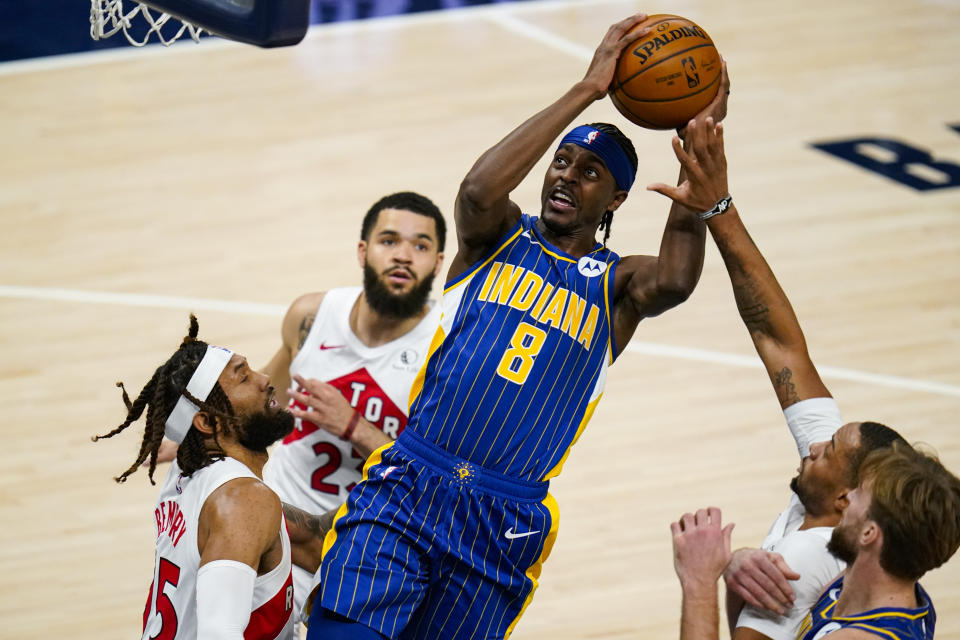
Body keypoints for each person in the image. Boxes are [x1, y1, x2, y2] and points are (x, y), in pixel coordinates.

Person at [309, 13, 730, 640]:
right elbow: (477, 190)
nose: (566, 176)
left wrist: (702, 151)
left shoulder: (615, 285)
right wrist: (587, 89)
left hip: (505, 517)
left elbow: (675, 280)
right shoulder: (496, 238)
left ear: (615, 201)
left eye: (590, 172)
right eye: (563, 162)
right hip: (409, 484)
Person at [646, 102, 910, 639]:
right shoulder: (842, 516)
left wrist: (702, 577)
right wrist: (717, 208)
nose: (813, 446)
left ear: (846, 502)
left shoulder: (803, 563)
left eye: (828, 452)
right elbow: (779, 342)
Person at [260, 191, 446, 630]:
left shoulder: (445, 351)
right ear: (363, 251)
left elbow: (433, 484)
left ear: (438, 263)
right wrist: (199, 427)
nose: (403, 255)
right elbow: (271, 395)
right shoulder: (312, 315)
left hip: (363, 551)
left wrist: (353, 425)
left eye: (420, 246)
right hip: (277, 528)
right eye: (388, 241)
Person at [93, 316, 301, 640]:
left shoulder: (186, 475)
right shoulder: (244, 500)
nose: (265, 379)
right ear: (206, 421)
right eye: (243, 378)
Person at [671, 443, 960, 640]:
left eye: (859, 491)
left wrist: (699, 585)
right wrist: (739, 569)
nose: (847, 497)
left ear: (869, 534)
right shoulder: (852, 588)